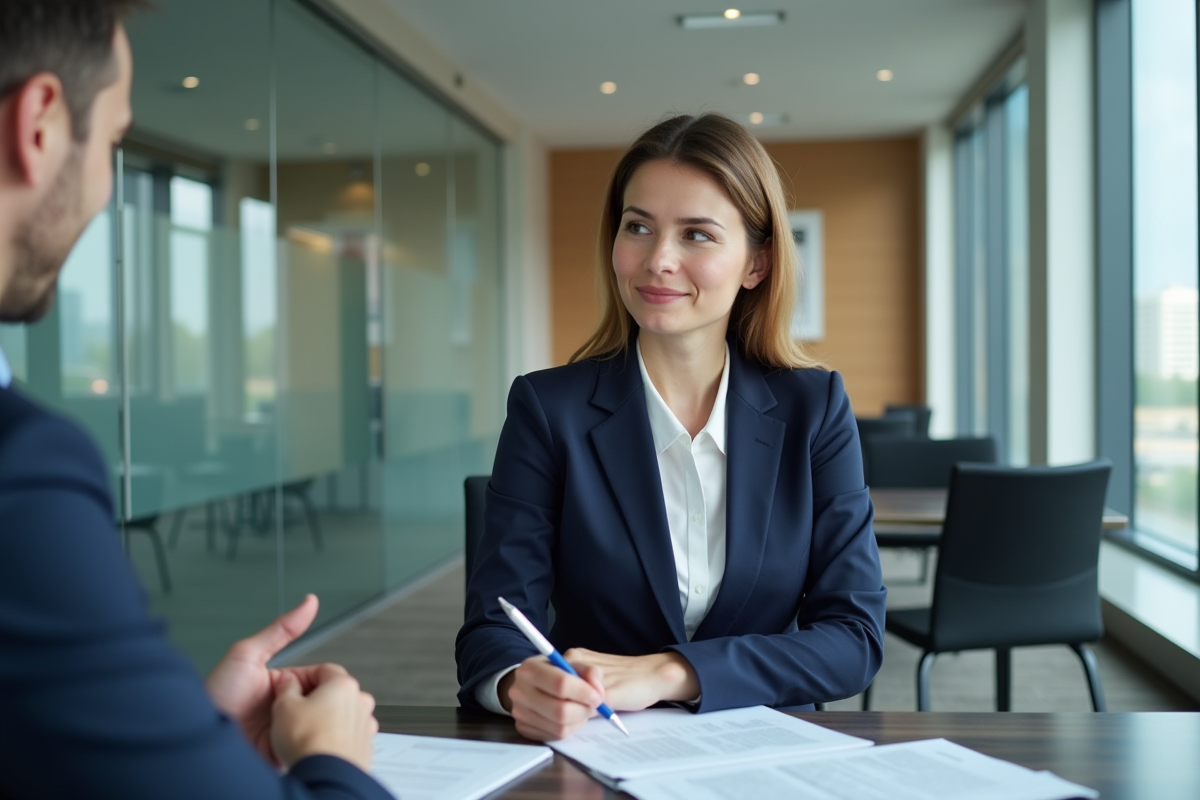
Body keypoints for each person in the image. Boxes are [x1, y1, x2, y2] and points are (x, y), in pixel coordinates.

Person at [0, 2, 391, 797]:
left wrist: (175, 733)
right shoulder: (22, 471)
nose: (108, 187)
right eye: (114, 143)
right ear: (40, 124)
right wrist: (332, 762)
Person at [456, 113, 886, 742]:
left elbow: (852, 638)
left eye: (697, 235)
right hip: (595, 753)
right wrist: (520, 684)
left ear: (756, 264)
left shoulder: (814, 407)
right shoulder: (548, 409)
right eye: (639, 227)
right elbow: (493, 631)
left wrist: (669, 672)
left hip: (764, 753)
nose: (658, 260)